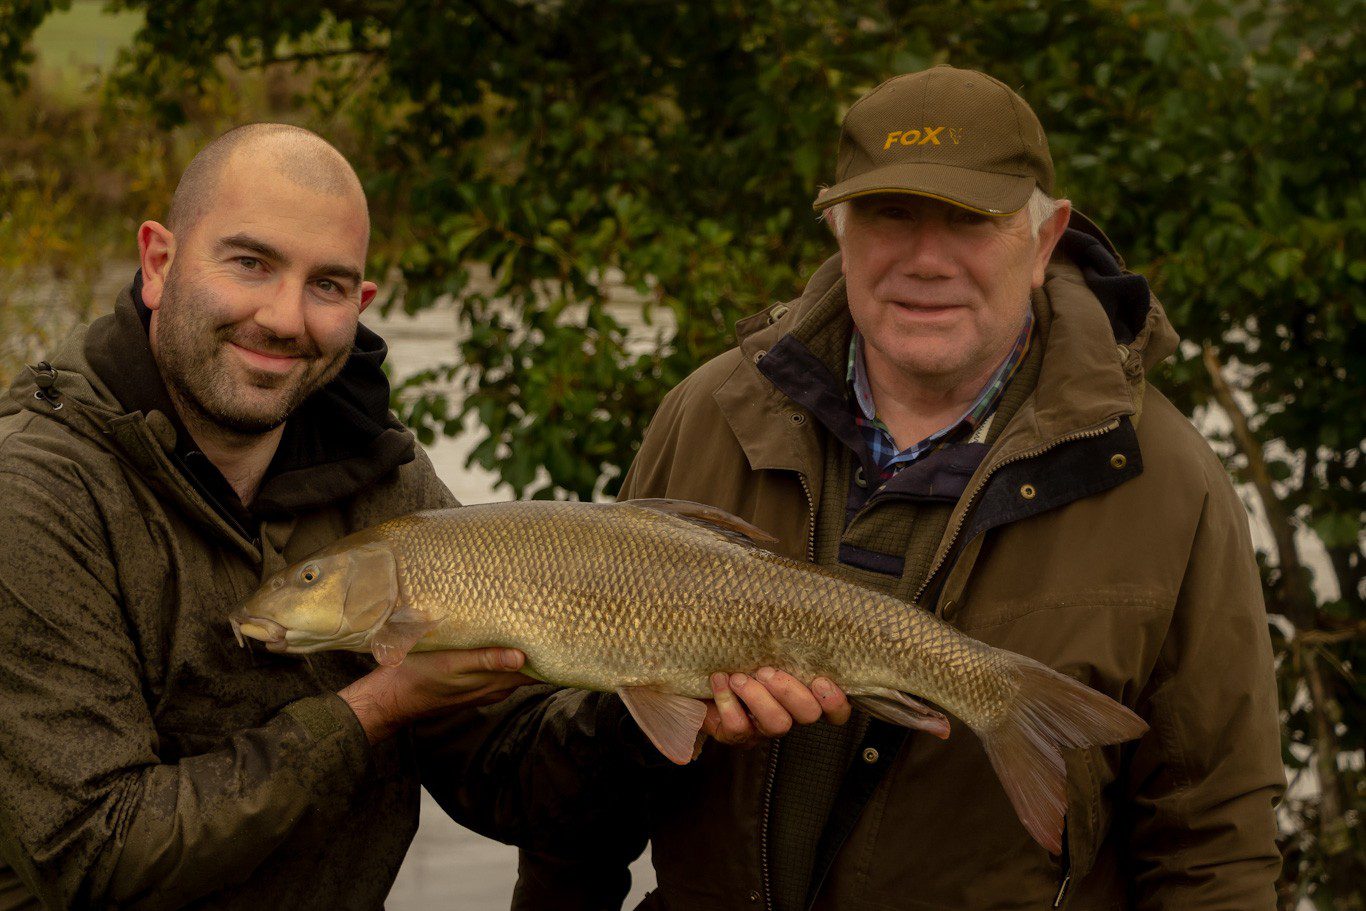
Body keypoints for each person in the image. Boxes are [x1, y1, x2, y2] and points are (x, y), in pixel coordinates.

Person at [432, 66, 1285, 909]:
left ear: (1046, 239)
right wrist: (651, 721)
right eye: (890, 214)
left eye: (970, 219)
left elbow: (1213, 841)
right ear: (839, 228)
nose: (926, 258)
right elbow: (576, 829)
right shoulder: (705, 415)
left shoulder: (1166, 478)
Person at [0, 124, 538, 909]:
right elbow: (93, 854)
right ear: (159, 262)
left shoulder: (379, 470)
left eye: (326, 285)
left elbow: (502, 771)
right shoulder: (37, 496)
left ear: (360, 305)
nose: (286, 318)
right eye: (251, 263)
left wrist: (656, 709)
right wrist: (374, 708)